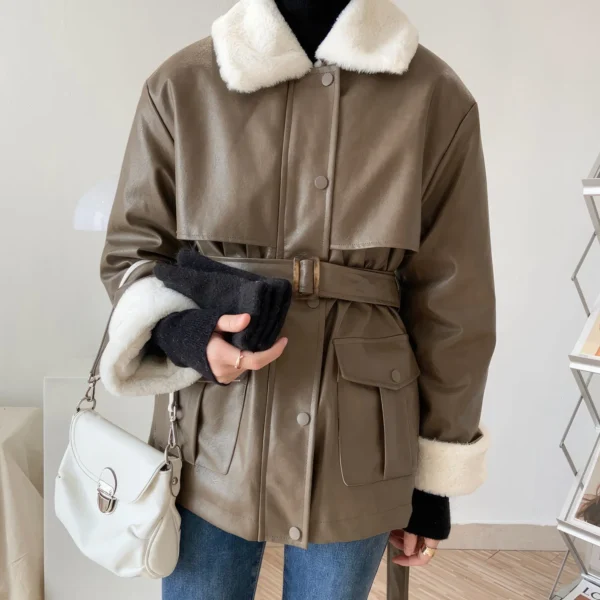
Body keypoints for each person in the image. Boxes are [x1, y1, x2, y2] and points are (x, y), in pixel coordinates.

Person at [98, 0, 497, 598]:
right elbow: (132, 255)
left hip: (361, 441)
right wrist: (189, 336)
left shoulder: (434, 96)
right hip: (211, 433)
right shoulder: (183, 84)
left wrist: (433, 481)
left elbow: (455, 304)